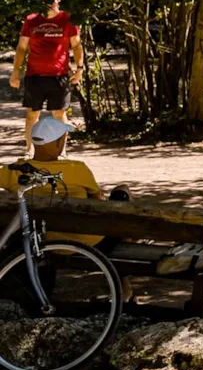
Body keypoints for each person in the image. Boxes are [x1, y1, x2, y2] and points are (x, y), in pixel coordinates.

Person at [0, 113, 133, 299]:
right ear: (56, 143)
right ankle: (124, 288)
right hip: (89, 243)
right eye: (64, 139)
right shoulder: (77, 169)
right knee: (122, 193)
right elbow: (98, 201)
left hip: (42, 240)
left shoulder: (14, 171)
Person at [8, 0, 84, 157]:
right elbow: (21, 48)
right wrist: (15, 73)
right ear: (43, 0)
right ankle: (29, 150)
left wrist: (79, 69)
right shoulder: (31, 20)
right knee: (32, 114)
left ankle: (61, 151)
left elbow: (76, 46)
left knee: (59, 114)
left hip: (59, 75)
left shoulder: (67, 20)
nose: (54, 2)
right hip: (35, 75)